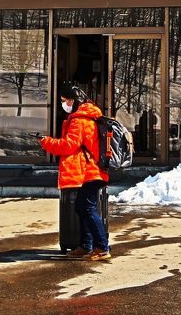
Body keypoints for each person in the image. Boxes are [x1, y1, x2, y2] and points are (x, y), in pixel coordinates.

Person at [39, 82, 110, 261]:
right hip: (92, 170)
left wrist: (47, 142)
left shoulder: (79, 120)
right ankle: (86, 245)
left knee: (87, 207)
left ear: (74, 100)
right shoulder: (89, 116)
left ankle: (102, 247)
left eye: (65, 100)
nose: (64, 104)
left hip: (90, 171)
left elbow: (69, 145)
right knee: (82, 207)